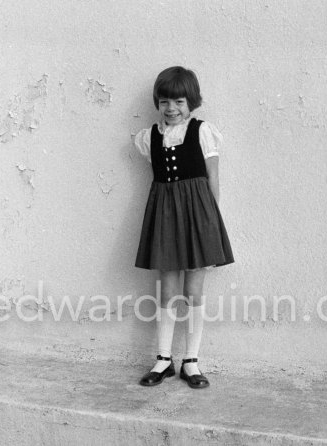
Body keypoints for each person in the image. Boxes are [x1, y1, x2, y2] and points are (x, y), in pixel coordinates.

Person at [134, 66, 234, 389]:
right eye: (165, 101)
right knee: (167, 289)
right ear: (157, 103)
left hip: (198, 216)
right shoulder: (150, 137)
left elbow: (212, 179)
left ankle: (191, 360)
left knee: (193, 291)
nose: (172, 108)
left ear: (191, 102)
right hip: (165, 214)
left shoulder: (202, 132)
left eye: (179, 101)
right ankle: (163, 359)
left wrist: (210, 223)